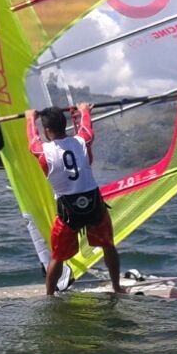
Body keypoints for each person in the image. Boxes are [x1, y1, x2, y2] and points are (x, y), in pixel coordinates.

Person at [26, 102, 123, 296]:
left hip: (68, 210)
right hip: (93, 203)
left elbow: (32, 141)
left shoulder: (43, 151)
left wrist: (30, 118)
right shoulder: (81, 142)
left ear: (46, 130)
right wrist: (84, 110)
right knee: (108, 246)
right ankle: (117, 287)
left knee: (57, 257)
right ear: (64, 125)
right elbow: (87, 129)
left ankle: (50, 296)